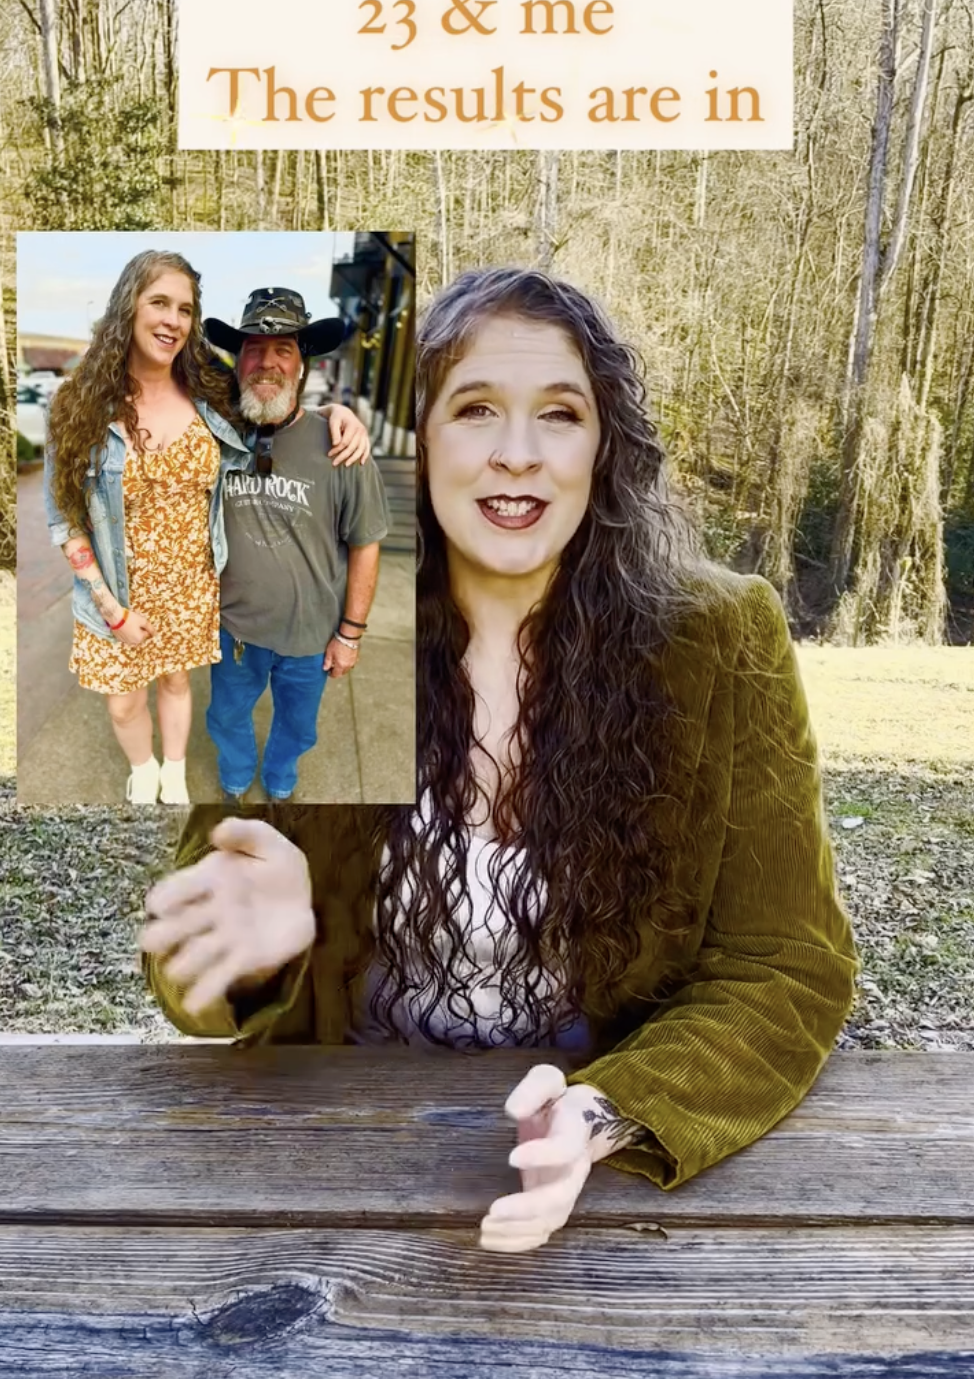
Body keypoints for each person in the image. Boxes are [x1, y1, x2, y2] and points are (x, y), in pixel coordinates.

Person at [142, 266, 858, 1253]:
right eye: (475, 409)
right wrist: (252, 956)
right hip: (330, 1161)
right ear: (415, 442)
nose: (517, 456)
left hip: (603, 1190)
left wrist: (606, 1111)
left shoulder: (719, 640)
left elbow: (787, 966)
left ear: (602, 446)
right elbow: (185, 974)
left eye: (558, 415)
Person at [44, 253, 369, 806]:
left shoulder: (208, 398)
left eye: (185, 309)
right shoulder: (78, 405)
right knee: (124, 702)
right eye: (160, 303)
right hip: (114, 596)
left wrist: (340, 412)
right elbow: (65, 517)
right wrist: (110, 608)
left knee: (176, 684)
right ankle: (142, 769)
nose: (173, 319)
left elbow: (277, 400)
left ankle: (173, 771)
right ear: (129, 305)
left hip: (192, 588)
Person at [202, 288, 392, 802]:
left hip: (311, 636)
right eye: (253, 349)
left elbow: (366, 543)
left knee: (298, 724)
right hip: (233, 630)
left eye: (282, 349)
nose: (267, 363)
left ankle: (281, 772)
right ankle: (237, 768)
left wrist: (350, 634)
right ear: (236, 361)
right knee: (224, 714)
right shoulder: (211, 435)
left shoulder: (342, 447)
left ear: (302, 365)